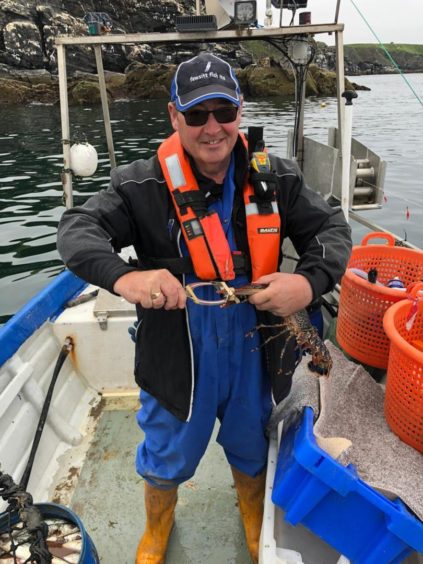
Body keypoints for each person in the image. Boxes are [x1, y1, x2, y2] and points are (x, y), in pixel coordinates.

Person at [57, 52, 352, 563]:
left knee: (253, 445)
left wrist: (305, 285)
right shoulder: (138, 185)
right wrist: (128, 277)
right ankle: (156, 528)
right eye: (196, 114)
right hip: (176, 353)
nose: (212, 128)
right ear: (174, 116)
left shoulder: (276, 177)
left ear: (240, 110)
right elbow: (76, 231)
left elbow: (332, 230)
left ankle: (252, 514)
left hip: (255, 349)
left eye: (223, 111)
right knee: (166, 454)